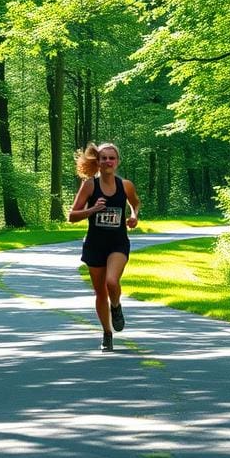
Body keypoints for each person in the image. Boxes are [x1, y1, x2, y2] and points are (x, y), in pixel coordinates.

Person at [68, 142, 140, 352]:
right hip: (95, 244)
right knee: (100, 292)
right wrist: (93, 209)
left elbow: (135, 202)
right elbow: (72, 216)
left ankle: (116, 307)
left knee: (111, 281)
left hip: (117, 242)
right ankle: (107, 333)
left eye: (112, 158)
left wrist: (134, 216)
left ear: (117, 162)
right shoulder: (90, 185)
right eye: (104, 158)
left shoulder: (125, 185)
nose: (108, 161)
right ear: (97, 162)